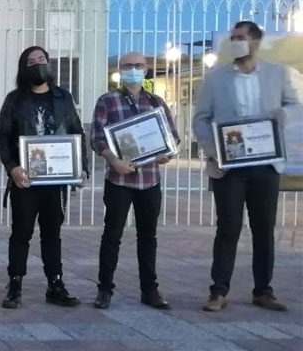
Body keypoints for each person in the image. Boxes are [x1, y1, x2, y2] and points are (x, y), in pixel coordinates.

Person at [193, 21, 301, 313]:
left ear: (256, 41)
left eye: (241, 37)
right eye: (232, 38)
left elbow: (295, 103)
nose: (235, 41)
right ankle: (218, 291)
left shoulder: (277, 74)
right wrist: (214, 151)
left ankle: (263, 290)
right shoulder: (216, 79)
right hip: (229, 166)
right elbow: (201, 119)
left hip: (265, 164)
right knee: (228, 226)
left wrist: (284, 114)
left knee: (263, 229)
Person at [0, 45, 87, 309]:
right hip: (25, 180)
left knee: (52, 233)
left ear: (49, 65)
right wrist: (12, 167)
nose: (37, 64)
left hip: (56, 182)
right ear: (24, 68)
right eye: (31, 61)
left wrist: (82, 168)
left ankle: (55, 284)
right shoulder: (15, 99)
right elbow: (2, 136)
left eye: (42, 59)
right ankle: (14, 285)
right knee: (21, 233)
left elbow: (77, 133)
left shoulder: (63, 98)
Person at [90, 51, 179, 310]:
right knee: (112, 236)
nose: (133, 70)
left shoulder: (157, 103)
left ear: (146, 68)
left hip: (150, 180)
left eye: (138, 66)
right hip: (118, 179)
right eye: (128, 66)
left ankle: (149, 290)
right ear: (119, 70)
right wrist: (112, 159)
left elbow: (172, 138)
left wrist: (166, 153)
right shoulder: (107, 100)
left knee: (148, 237)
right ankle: (104, 290)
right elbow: (97, 137)